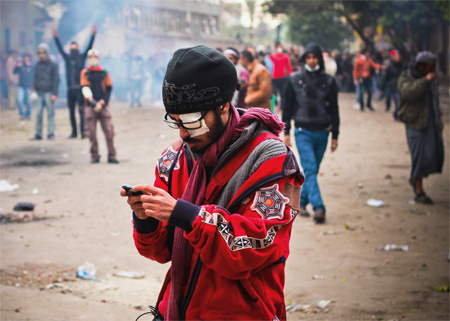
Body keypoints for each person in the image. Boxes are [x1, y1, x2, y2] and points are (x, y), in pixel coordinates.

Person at [121, 45, 304, 321]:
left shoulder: (273, 160)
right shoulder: (175, 159)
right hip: (179, 309)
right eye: (176, 121)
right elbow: (161, 251)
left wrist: (185, 214)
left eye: (193, 122)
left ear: (223, 106)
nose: (183, 133)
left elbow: (256, 247)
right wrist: (145, 217)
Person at [282, 43, 340, 223]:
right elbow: (287, 107)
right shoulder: (294, 79)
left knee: (311, 170)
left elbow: (334, 109)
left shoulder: (329, 81)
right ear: (304, 59)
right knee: (311, 169)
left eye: (315, 57)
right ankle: (319, 207)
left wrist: (335, 135)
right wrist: (287, 132)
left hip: (323, 132)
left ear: (319, 60)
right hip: (302, 131)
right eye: (308, 57)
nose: (312, 61)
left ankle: (303, 200)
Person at [397, 51, 444, 204]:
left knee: (430, 155)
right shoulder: (406, 77)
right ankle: (418, 189)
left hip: (430, 123)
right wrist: (425, 81)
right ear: (421, 66)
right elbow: (407, 93)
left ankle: (417, 181)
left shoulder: (431, 80)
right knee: (418, 156)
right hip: (414, 122)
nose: (432, 71)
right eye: (430, 68)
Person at [52, 25, 96, 139]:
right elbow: (60, 48)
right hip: (70, 88)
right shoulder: (67, 59)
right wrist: (56, 37)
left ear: (77, 48)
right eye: (71, 48)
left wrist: (93, 35)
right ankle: (74, 132)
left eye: (74, 48)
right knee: (71, 112)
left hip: (80, 88)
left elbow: (89, 47)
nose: (73, 50)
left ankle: (83, 132)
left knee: (81, 111)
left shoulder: (81, 58)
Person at [80, 49, 118, 164]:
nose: (93, 59)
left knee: (109, 131)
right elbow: (84, 87)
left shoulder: (104, 72)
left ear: (99, 58)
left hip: (103, 106)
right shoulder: (85, 72)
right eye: (91, 57)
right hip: (90, 107)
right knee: (91, 133)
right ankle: (94, 155)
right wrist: (93, 102)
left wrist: (102, 102)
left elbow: (109, 87)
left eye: (95, 56)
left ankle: (112, 155)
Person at [30, 43, 59, 140]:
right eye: (40, 52)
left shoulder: (53, 64)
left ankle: (51, 133)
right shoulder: (37, 64)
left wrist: (54, 93)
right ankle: (38, 133)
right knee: (38, 114)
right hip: (39, 92)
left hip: (49, 92)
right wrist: (33, 90)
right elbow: (35, 77)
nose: (41, 54)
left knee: (50, 113)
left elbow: (56, 79)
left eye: (43, 52)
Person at [353, 47, 383, 111]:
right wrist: (355, 78)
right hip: (361, 78)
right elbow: (355, 70)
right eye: (367, 52)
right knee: (361, 93)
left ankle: (368, 104)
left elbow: (374, 65)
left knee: (369, 92)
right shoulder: (359, 60)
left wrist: (381, 67)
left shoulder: (368, 60)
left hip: (367, 78)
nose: (368, 54)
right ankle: (362, 106)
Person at [381, 49, 405, 120]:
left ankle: (396, 113)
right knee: (396, 100)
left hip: (402, 86)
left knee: (400, 101)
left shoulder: (404, 66)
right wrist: (382, 88)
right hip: (393, 86)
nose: (397, 58)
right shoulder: (390, 66)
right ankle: (395, 113)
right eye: (395, 56)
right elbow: (386, 78)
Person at [270, 42, 293, 110]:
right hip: (275, 77)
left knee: (283, 93)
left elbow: (288, 66)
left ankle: (282, 108)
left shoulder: (285, 56)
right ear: (276, 48)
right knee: (274, 93)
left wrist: (291, 75)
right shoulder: (272, 56)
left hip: (283, 77)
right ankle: (275, 106)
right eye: (278, 47)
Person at [13, 53, 34, 119]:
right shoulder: (21, 66)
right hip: (21, 86)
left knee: (29, 101)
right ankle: (22, 114)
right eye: (25, 57)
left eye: (27, 57)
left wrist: (33, 86)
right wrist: (17, 66)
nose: (26, 58)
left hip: (28, 86)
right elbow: (14, 72)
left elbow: (34, 76)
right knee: (20, 100)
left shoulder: (32, 66)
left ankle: (28, 114)